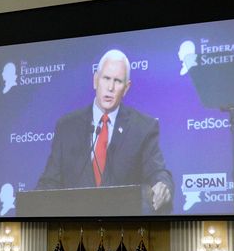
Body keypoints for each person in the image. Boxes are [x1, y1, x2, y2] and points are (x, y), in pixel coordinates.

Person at [36, 49, 174, 214]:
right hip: (74, 226)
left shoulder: (143, 127)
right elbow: (50, 181)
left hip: (123, 226)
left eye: (117, 81)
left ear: (126, 88)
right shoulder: (67, 127)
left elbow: (157, 172)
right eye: (106, 78)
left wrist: (162, 185)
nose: (110, 87)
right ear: (95, 80)